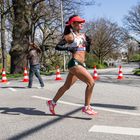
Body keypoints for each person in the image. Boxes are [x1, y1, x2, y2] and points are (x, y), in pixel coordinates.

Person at [47, 15, 97, 116]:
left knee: (66, 86)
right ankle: (87, 107)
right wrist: (68, 49)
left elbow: (86, 50)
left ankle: (52, 103)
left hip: (82, 64)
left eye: (81, 22)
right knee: (91, 83)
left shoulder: (84, 36)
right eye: (79, 22)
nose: (81, 24)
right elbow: (58, 47)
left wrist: (89, 44)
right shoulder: (70, 36)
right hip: (74, 63)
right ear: (73, 24)